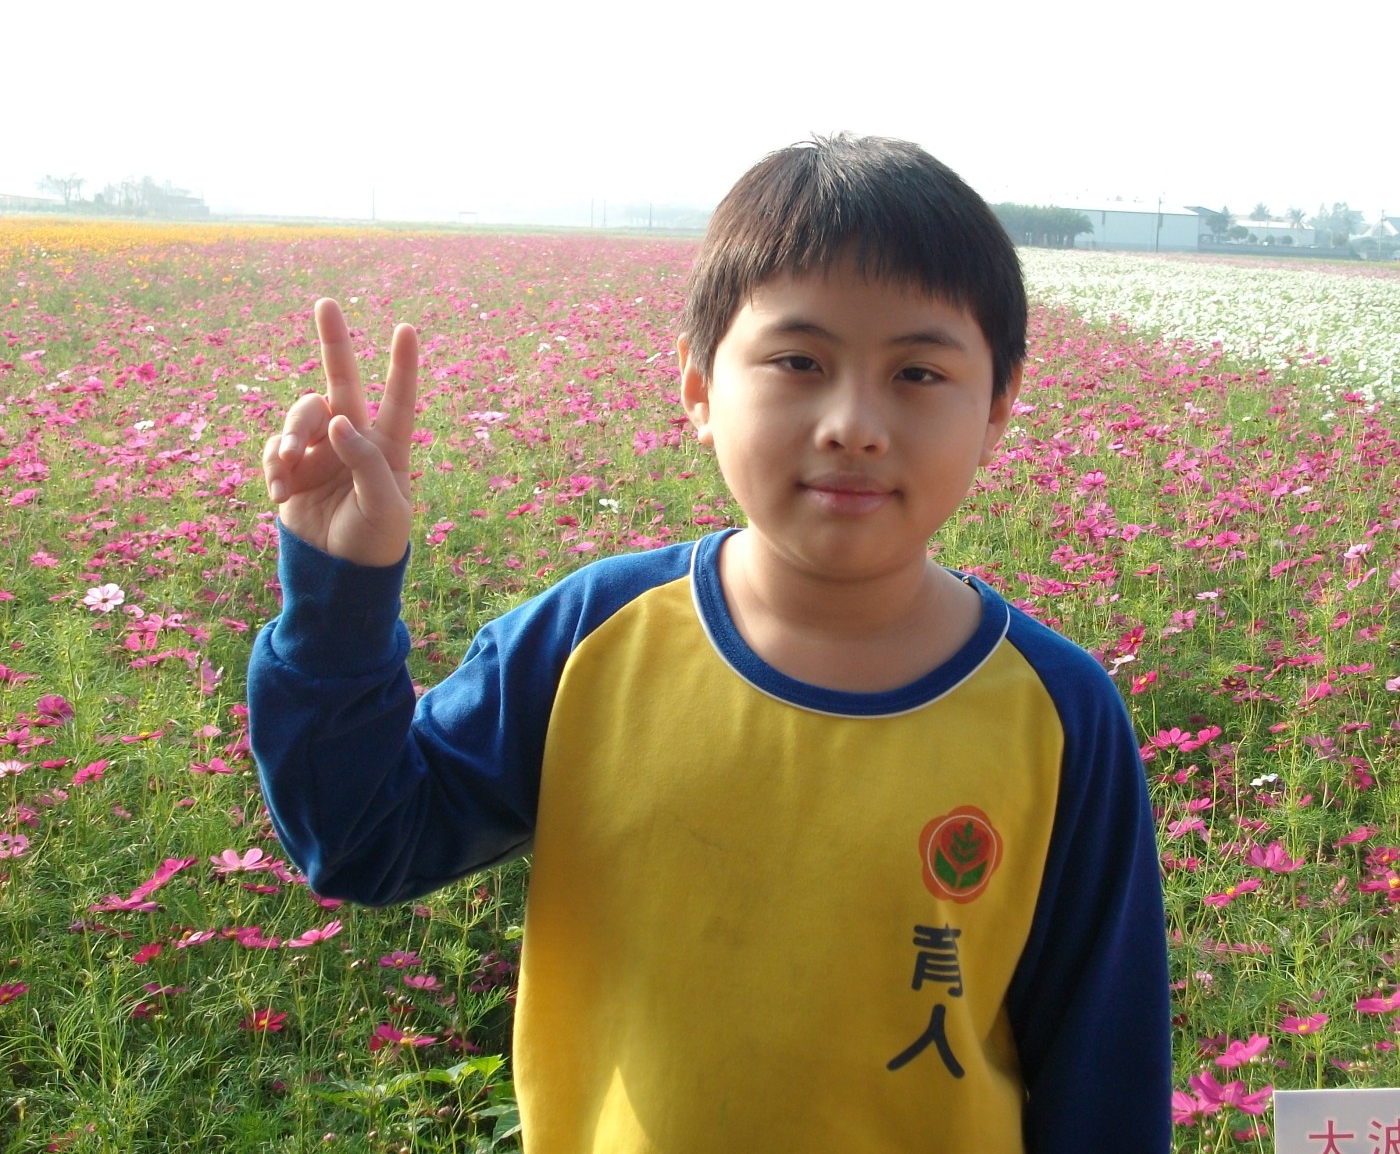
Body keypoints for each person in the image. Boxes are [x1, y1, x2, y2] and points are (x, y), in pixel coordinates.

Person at [248, 134, 1171, 1152]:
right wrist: (340, 589)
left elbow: (1104, 1078)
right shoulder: (592, 639)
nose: (854, 424)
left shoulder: (1058, 714)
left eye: (917, 371)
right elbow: (363, 838)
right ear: (695, 386)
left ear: (997, 407)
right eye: (798, 362)